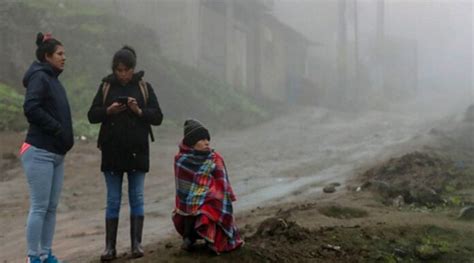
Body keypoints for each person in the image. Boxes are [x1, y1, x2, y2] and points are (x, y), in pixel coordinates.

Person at [87, 45, 163, 260]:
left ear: (133, 68)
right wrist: (108, 111)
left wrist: (139, 111)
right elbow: (92, 115)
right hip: (111, 152)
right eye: (118, 70)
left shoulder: (144, 87)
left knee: (137, 197)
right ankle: (109, 247)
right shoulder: (106, 86)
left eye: (126, 70)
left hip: (138, 151)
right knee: (112, 199)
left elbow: (158, 116)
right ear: (114, 69)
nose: (122, 74)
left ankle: (136, 245)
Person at [20, 32, 74, 263]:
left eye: (64, 54)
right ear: (47, 56)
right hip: (39, 151)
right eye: (60, 54)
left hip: (56, 154)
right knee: (40, 207)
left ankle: (46, 253)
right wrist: (57, 129)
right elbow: (31, 107)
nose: (64, 58)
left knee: (51, 208)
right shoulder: (39, 77)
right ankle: (33, 257)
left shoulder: (53, 79)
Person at [172, 119, 244, 254]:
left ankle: (210, 239)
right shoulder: (181, 160)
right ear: (192, 143)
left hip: (210, 194)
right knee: (190, 201)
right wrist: (198, 194)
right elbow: (183, 189)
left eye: (207, 139)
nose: (207, 143)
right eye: (202, 139)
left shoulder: (214, 158)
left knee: (210, 202)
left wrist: (209, 192)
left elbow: (222, 183)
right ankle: (188, 237)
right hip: (189, 200)